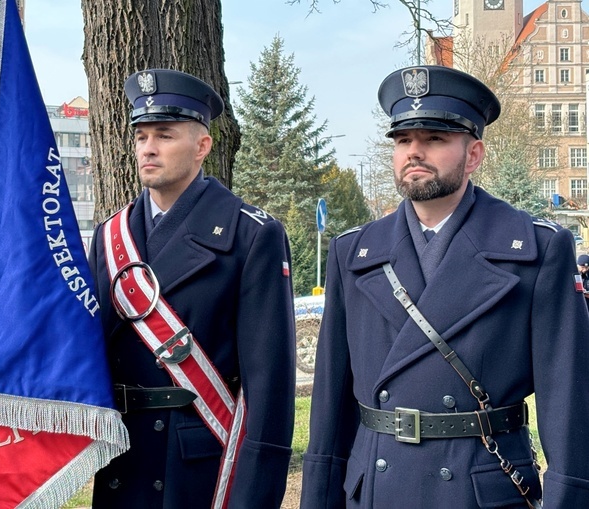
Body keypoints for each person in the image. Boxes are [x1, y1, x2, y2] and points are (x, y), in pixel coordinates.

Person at [300, 65, 589, 508]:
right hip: (377, 487)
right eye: (402, 140)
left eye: (433, 139)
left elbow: (567, 398)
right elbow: (330, 404)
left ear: (473, 155)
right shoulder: (352, 252)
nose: (413, 152)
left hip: (481, 490)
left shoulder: (537, 249)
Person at [88, 68, 296, 508]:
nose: (148, 148)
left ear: (202, 146)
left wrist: (254, 494)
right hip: (122, 458)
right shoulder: (110, 236)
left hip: (201, 460)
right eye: (141, 136)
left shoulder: (250, 235)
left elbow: (269, 384)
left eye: (164, 135)